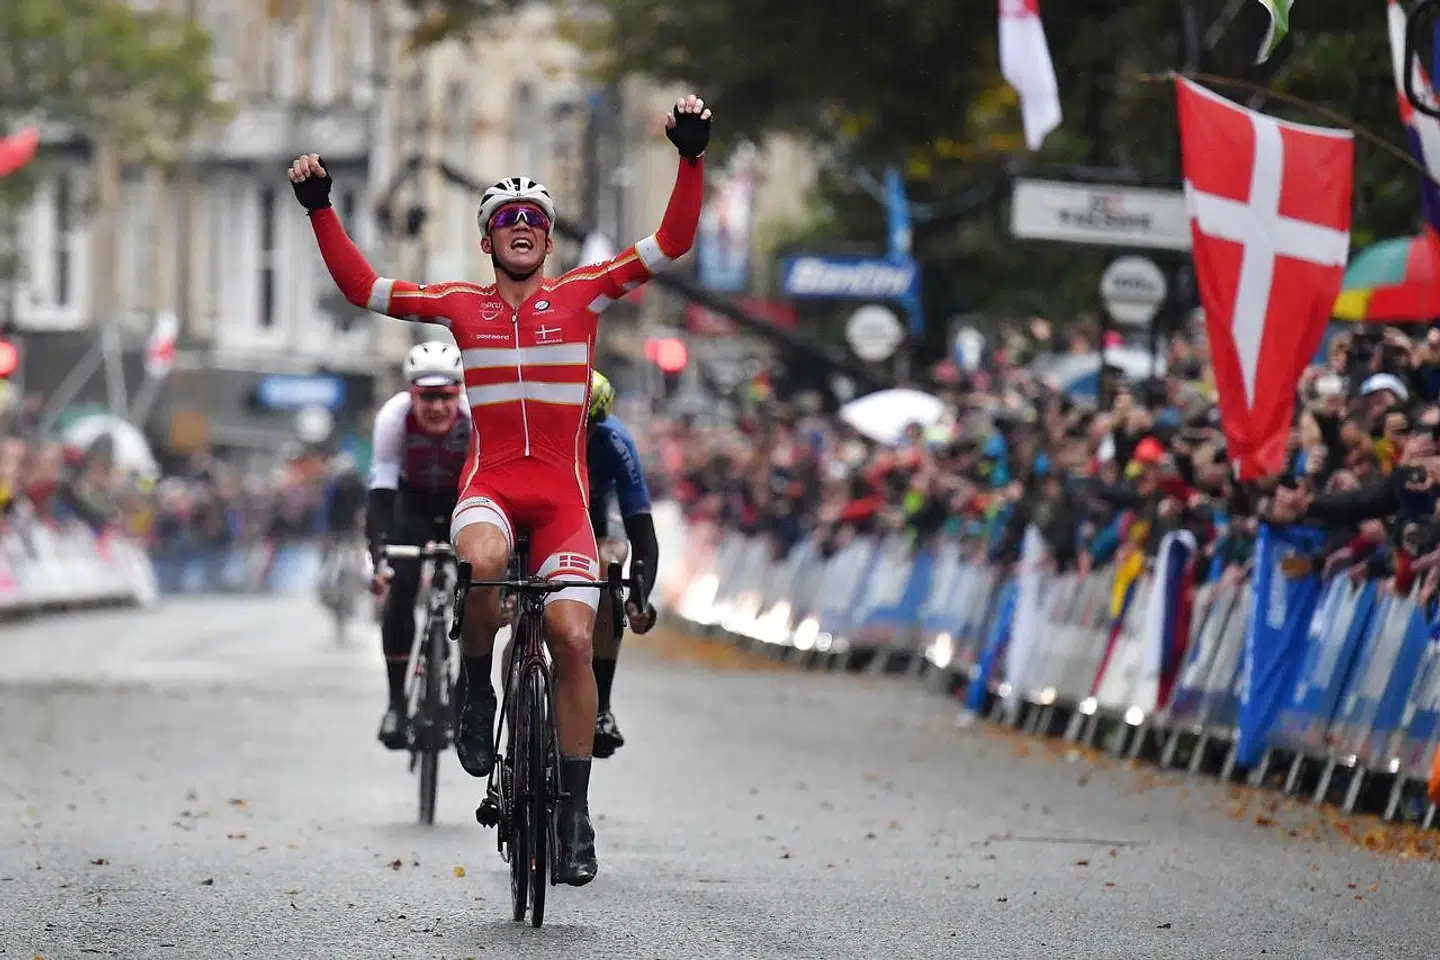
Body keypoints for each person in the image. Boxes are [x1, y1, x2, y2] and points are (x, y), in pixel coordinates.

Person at [290, 94, 710, 887]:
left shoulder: (584, 292)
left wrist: (690, 160)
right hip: (491, 487)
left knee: (574, 640)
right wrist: (321, 211)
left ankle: (575, 814)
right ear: (487, 239)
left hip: (562, 501)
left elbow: (672, 242)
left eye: (535, 218)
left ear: (549, 239)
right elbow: (364, 288)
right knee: (481, 561)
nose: (522, 225)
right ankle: (476, 689)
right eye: (506, 217)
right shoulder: (460, 306)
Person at [366, 341, 472, 750]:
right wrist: (379, 555)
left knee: (477, 593)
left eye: (446, 396)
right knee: (402, 585)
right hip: (411, 505)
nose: (437, 407)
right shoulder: (394, 417)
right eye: (427, 397)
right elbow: (381, 490)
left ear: (458, 393)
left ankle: (466, 698)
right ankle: (396, 704)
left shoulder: (475, 418)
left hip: (462, 500)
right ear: (412, 394)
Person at [584, 370, 659, 759]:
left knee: (608, 565)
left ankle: (601, 707)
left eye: (588, 427)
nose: (580, 436)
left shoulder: (615, 441)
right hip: (550, 501)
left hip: (599, 506)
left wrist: (637, 597)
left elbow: (642, 534)